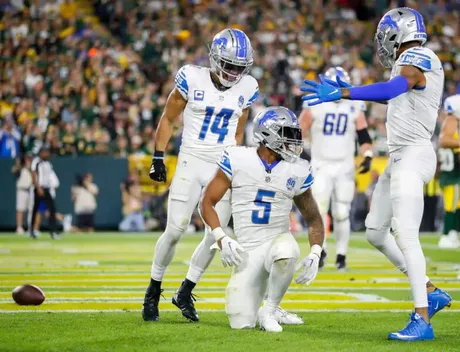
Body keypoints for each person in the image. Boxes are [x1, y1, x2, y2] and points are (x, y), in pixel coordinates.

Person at [301, 8, 452, 341]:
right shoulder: (412, 59)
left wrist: (343, 93)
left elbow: (390, 90)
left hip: (414, 155)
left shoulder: (419, 56)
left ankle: (422, 318)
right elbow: (395, 93)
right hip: (400, 157)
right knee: (374, 231)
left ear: (397, 34)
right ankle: (430, 289)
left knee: (406, 234)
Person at [143, 28, 277, 324]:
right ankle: (153, 289)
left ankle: (185, 290)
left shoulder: (247, 87)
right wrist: (158, 155)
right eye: (228, 64)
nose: (233, 72)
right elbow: (168, 118)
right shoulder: (192, 77)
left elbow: (239, 129)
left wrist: (241, 164)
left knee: (217, 236)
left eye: (238, 67)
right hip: (192, 158)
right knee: (176, 229)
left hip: (224, 164)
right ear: (215, 59)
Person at [200, 107, 324, 332]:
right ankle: (263, 305)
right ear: (268, 134)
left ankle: (270, 310)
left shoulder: (296, 169)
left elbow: (313, 218)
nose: (294, 140)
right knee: (240, 322)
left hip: (277, 240)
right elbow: (206, 202)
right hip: (247, 250)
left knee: (286, 253)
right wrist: (221, 237)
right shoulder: (238, 158)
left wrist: (316, 252)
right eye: (288, 133)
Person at [299, 67, 373, 270]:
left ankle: (341, 256)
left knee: (342, 212)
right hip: (321, 164)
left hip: (344, 165)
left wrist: (367, 155)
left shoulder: (354, 105)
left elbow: (364, 135)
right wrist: (300, 153)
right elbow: (298, 130)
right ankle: (320, 250)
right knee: (319, 209)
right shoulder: (315, 103)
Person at [437, 93, 460, 248]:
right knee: (451, 207)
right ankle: (447, 234)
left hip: (446, 175)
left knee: (455, 205)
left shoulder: (447, 130)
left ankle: (453, 233)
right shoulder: (451, 136)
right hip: (452, 176)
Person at [30, 145, 59, 239]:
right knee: (35, 210)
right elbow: (34, 174)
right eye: (45, 152)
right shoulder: (36, 161)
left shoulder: (48, 163)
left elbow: (49, 177)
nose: (47, 154)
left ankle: (53, 231)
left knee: (52, 209)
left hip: (46, 188)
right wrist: (38, 187)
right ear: (41, 153)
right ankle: (32, 231)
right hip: (39, 188)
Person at [12, 154, 32, 234]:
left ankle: (31, 227)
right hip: (22, 190)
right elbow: (14, 171)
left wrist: (29, 166)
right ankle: (19, 227)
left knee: (31, 210)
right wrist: (19, 164)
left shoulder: (32, 166)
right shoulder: (20, 167)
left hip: (30, 190)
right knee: (20, 209)